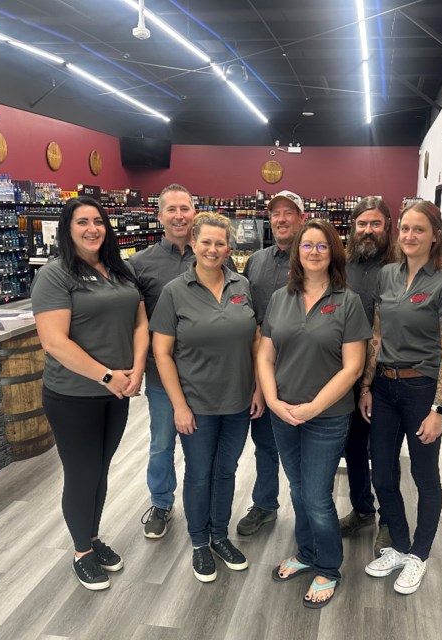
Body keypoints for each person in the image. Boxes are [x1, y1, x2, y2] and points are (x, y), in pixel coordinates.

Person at [31, 196, 149, 591]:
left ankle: (93, 536)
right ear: (67, 228)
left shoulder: (120, 269)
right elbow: (54, 342)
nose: (92, 229)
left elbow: (139, 322)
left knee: (100, 468)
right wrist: (106, 377)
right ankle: (82, 551)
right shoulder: (56, 274)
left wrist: (135, 369)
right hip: (73, 395)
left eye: (98, 221)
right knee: (82, 473)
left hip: (114, 393)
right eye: (82, 222)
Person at [258, 218, 371, 609]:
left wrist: (314, 407)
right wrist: (273, 401)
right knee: (297, 488)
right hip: (283, 411)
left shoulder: (347, 301)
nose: (314, 252)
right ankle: (305, 553)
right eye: (307, 246)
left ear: (333, 253)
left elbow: (352, 367)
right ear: (297, 252)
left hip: (327, 416)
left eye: (322, 246)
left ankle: (329, 566)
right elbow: (265, 353)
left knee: (318, 495)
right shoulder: (279, 298)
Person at [358, 200, 442, 595]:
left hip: (422, 390)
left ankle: (420, 553)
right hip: (385, 388)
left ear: (434, 235)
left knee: (424, 475)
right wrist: (367, 385)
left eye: (418, 229)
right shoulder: (387, 275)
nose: (409, 236)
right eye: (404, 229)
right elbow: (377, 335)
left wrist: (439, 408)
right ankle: (399, 545)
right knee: (382, 472)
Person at [150, 212, 263, 583]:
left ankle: (220, 536)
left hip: (238, 401)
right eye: (206, 242)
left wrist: (259, 388)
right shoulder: (174, 292)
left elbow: (255, 340)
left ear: (229, 247)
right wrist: (179, 405)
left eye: (220, 243)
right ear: (194, 244)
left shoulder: (241, 285)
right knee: (199, 474)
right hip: (196, 404)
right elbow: (162, 352)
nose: (213, 249)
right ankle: (199, 542)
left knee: (226, 472)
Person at [128, 183, 212, 540]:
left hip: (207, 374)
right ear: (159, 216)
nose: (180, 215)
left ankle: (204, 504)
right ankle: (161, 503)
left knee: (204, 446)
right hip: (161, 376)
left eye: (185, 208)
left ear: (195, 213)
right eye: (172, 209)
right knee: (162, 442)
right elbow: (133, 322)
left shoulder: (210, 255)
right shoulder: (140, 263)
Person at [235, 190, 306, 536]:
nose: (281, 219)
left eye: (288, 212)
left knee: (304, 444)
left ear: (301, 218)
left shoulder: (314, 257)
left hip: (303, 365)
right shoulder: (256, 262)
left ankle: (308, 509)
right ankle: (265, 504)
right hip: (259, 364)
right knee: (265, 441)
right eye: (275, 213)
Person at [339, 197, 398, 556]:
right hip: (347, 371)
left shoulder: (399, 267)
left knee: (385, 450)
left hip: (389, 373)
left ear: (387, 226)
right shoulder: (342, 265)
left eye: (375, 223)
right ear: (354, 226)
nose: (368, 230)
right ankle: (362, 510)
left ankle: (390, 520)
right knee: (354, 447)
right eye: (362, 223)